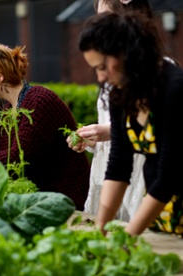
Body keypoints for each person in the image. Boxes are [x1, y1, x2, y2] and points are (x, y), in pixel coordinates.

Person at [79, 11, 183, 236]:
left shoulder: (174, 89)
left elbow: (170, 175)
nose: (101, 78)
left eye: (102, 66)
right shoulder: (122, 93)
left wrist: (126, 237)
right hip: (162, 214)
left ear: (126, 52)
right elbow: (118, 164)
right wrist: (101, 228)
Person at [0, 42, 90, 210]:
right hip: (41, 200)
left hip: (67, 200)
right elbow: (6, 157)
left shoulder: (39, 100)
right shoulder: (9, 108)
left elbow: (19, 157)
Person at [67, 0, 154, 222]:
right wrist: (92, 140)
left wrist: (110, 131)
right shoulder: (112, 79)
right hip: (113, 175)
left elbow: (161, 141)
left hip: (143, 178)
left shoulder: (159, 75)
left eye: (106, 19)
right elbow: (117, 156)